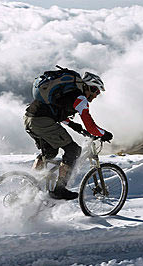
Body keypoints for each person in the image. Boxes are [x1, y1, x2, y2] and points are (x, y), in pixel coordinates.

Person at [24, 70, 113, 200]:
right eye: (96, 92)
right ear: (90, 87)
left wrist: (75, 126)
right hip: (42, 121)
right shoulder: (80, 98)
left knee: (50, 153)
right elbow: (91, 126)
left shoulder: (67, 93)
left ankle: (29, 184)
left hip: (29, 119)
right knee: (73, 150)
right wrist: (104, 134)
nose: (95, 96)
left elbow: (56, 111)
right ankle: (59, 189)